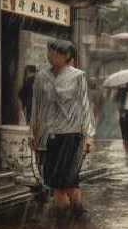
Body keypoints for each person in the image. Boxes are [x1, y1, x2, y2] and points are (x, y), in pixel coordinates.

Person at [30, 40, 95, 218]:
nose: (51, 56)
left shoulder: (78, 76)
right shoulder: (41, 77)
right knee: (55, 182)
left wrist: (88, 136)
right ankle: (67, 223)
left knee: (68, 181)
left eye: (56, 53)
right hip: (49, 135)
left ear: (67, 56)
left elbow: (85, 106)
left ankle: (74, 218)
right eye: (50, 52)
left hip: (72, 135)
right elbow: (36, 107)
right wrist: (33, 133)